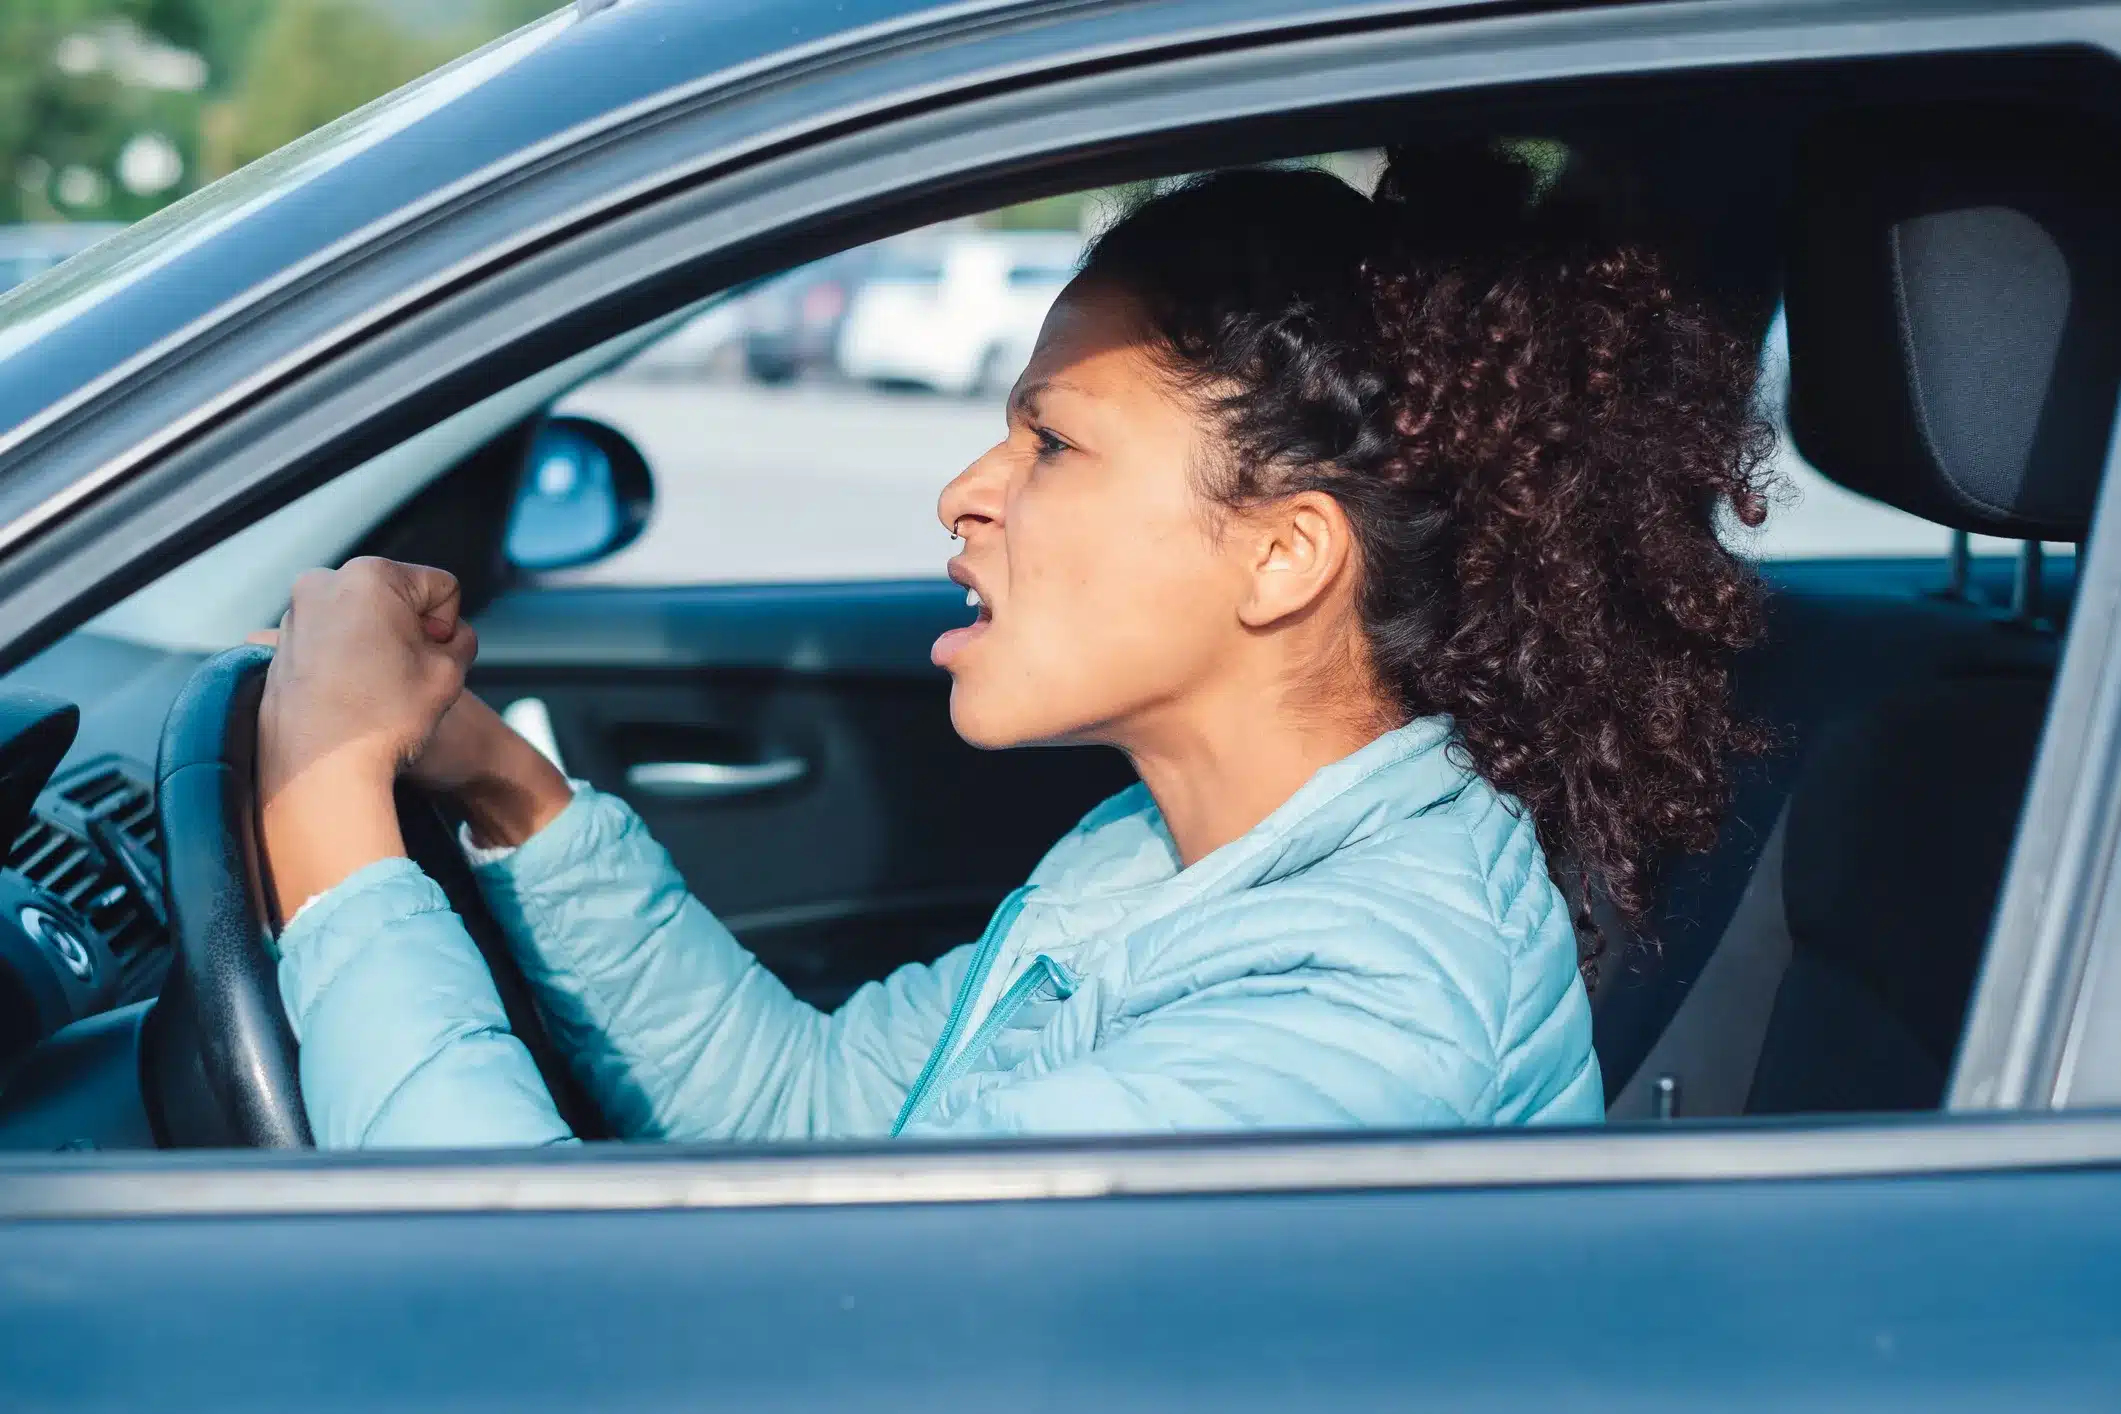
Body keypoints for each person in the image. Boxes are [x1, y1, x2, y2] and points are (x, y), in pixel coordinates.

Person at [256, 144, 1774, 1147]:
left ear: (1283, 552)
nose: (965, 495)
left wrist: (326, 826)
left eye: (1050, 441)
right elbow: (817, 1108)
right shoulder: (1173, 855)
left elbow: (587, 1350)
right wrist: (496, 780)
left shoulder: (1340, 1020)